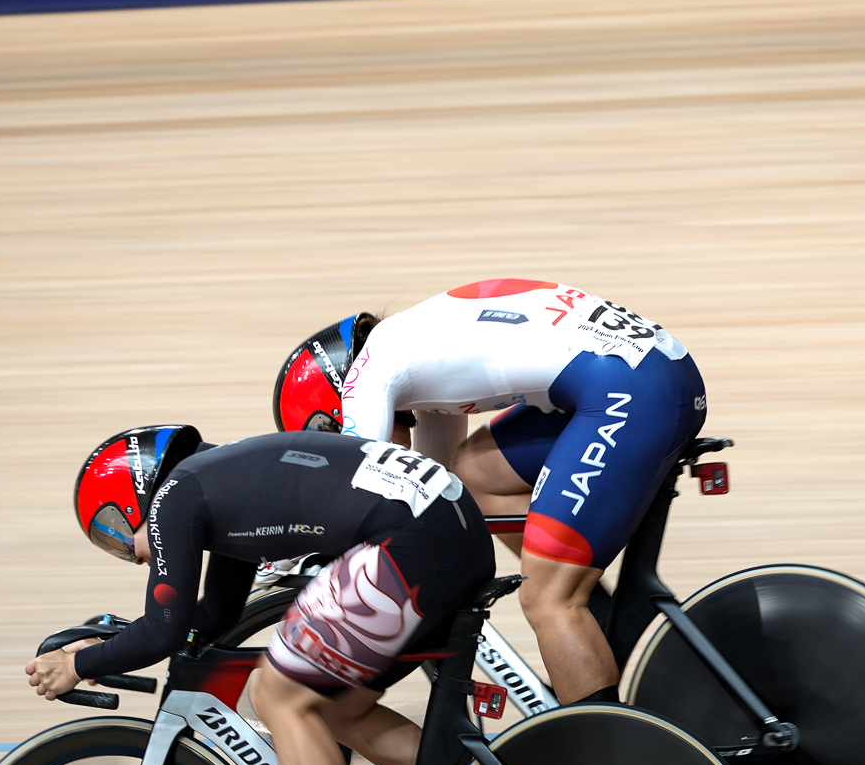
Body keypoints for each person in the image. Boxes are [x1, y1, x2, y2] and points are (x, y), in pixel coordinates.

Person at [27, 424, 493, 765]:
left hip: (410, 539)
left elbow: (163, 630)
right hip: (448, 527)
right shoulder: (219, 482)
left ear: (135, 495)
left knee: (279, 694)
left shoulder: (175, 499)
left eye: (113, 532)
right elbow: (215, 612)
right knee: (336, 708)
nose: (129, 553)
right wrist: (116, 641)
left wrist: (77, 665)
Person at [272, 279, 706, 704]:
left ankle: (611, 761)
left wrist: (288, 547)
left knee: (547, 599)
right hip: (642, 370)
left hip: (628, 389)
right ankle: (597, 613)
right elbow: (438, 484)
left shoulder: (371, 371)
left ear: (332, 412)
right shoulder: (414, 350)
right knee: (474, 475)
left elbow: (358, 478)